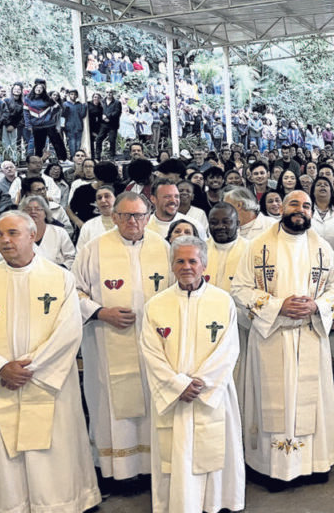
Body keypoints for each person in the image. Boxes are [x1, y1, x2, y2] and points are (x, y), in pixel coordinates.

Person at [0, 211, 101, 513]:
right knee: (4, 456)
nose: (4, 240)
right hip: (0, 383)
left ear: (32, 235)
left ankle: (58, 504)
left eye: (12, 233)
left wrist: (28, 369)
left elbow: (69, 331)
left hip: (49, 383)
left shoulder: (60, 277)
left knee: (52, 451)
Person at [231, 191, 334, 484]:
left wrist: (316, 305)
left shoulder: (322, 248)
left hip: (309, 333)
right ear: (282, 208)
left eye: (306, 206)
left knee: (311, 401)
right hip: (272, 336)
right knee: (273, 401)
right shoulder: (257, 247)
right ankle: (272, 468)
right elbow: (240, 289)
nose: (301, 210)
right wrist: (277, 305)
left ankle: (313, 464)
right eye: (294, 204)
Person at [73, 191, 173, 485]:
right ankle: (118, 471)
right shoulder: (94, 248)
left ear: (148, 216)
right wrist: (101, 312)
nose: (133, 221)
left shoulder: (162, 247)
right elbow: (73, 292)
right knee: (110, 404)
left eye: (139, 215)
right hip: (106, 341)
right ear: (114, 217)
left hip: (154, 344)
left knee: (153, 401)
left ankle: (153, 467)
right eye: (126, 215)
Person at [140, 236, 244, 513]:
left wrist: (202, 383)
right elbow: (151, 352)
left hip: (211, 394)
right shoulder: (156, 305)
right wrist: (177, 385)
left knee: (214, 451)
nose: (187, 267)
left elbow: (229, 348)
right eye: (180, 261)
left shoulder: (223, 301)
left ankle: (215, 503)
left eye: (192, 261)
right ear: (172, 265)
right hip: (174, 398)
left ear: (204, 264)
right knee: (175, 455)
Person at [204, 202, 251, 408]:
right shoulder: (200, 250)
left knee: (240, 389)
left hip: (241, 332)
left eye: (226, 222)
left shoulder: (251, 251)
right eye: (214, 222)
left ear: (238, 223)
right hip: (205, 333)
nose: (220, 227)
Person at [23, 79, 67, 160]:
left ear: (43, 90)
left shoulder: (48, 99)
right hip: (37, 126)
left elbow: (57, 107)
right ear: (34, 89)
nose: (38, 90)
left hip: (49, 125)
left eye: (41, 88)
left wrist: (50, 116)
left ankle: (63, 160)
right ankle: (39, 161)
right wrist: (28, 124)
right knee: (39, 145)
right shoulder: (27, 99)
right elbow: (26, 113)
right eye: (37, 88)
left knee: (58, 142)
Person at [77, 185, 117, 249]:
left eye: (107, 196)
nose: (103, 200)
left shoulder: (127, 223)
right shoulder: (88, 226)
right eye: (99, 198)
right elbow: (81, 253)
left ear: (116, 199)